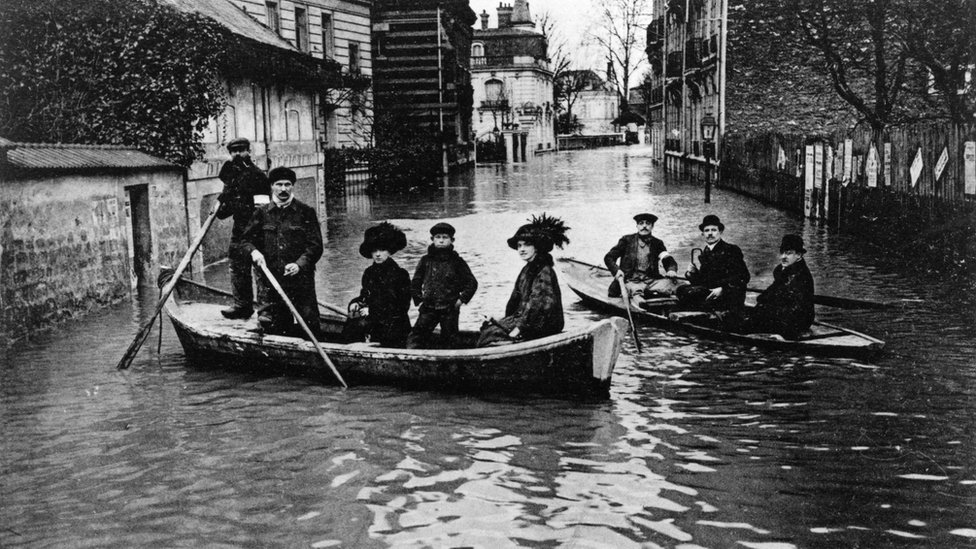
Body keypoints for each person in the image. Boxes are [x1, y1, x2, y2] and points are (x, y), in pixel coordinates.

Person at [240, 167, 323, 337]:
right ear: (271, 186)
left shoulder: (306, 212)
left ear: (293, 186)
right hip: (273, 281)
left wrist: (299, 264)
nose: (283, 189)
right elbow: (245, 241)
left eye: (287, 184)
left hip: (302, 280)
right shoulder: (261, 213)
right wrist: (254, 252)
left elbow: (315, 246)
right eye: (279, 185)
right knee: (278, 328)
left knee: (309, 325)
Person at [477, 214, 569, 347]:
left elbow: (540, 304)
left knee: (492, 338)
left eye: (527, 245)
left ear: (536, 247)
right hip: (528, 322)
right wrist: (503, 320)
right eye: (519, 246)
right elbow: (516, 300)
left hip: (543, 326)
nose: (521, 249)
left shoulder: (544, 271)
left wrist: (519, 328)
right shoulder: (526, 269)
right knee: (489, 329)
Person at [216, 137, 270, 319]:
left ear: (249, 151)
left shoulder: (258, 176)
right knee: (237, 268)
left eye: (241, 150)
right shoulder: (231, 177)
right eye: (233, 151)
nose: (237, 154)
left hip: (257, 231)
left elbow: (263, 209)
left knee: (261, 271)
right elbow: (224, 211)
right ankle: (242, 306)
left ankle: (265, 312)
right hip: (239, 230)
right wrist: (222, 203)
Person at [406, 222, 478, 349]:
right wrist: (419, 300)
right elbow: (415, 282)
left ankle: (447, 365)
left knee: (450, 341)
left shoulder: (457, 262)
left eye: (445, 237)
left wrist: (460, 301)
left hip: (449, 309)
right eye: (438, 237)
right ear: (432, 239)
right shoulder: (425, 260)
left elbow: (472, 283)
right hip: (428, 307)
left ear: (452, 240)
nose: (441, 241)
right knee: (416, 337)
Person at [345, 222, 412, 347]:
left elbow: (402, 307)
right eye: (374, 250)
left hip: (394, 325)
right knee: (351, 323)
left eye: (382, 250)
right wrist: (356, 303)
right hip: (375, 321)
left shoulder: (400, 274)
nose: (378, 254)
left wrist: (372, 311)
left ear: (390, 251)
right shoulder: (369, 273)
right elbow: (365, 296)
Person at [741, 234, 815, 339]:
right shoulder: (783, 270)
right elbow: (773, 291)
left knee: (743, 326)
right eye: (782, 253)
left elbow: (797, 308)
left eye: (789, 253)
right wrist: (761, 301)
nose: (784, 257)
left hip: (796, 320)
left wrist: (785, 334)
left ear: (799, 255)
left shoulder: (801, 276)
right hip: (783, 314)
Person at [604, 212, 684, 306]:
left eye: (648, 223)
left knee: (678, 285)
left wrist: (671, 269)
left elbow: (667, 258)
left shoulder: (657, 243)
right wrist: (616, 271)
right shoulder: (627, 240)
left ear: (652, 226)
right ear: (637, 226)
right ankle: (640, 303)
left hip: (652, 281)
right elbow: (609, 257)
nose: (644, 226)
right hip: (630, 281)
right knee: (635, 291)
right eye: (641, 223)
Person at [676, 214, 750, 315]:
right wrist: (692, 273)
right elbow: (704, 281)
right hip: (710, 293)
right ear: (702, 234)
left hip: (728, 295)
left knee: (688, 295)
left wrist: (723, 289)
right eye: (707, 231)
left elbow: (744, 276)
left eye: (713, 230)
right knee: (681, 289)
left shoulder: (731, 250)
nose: (710, 234)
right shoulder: (706, 252)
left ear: (720, 232)